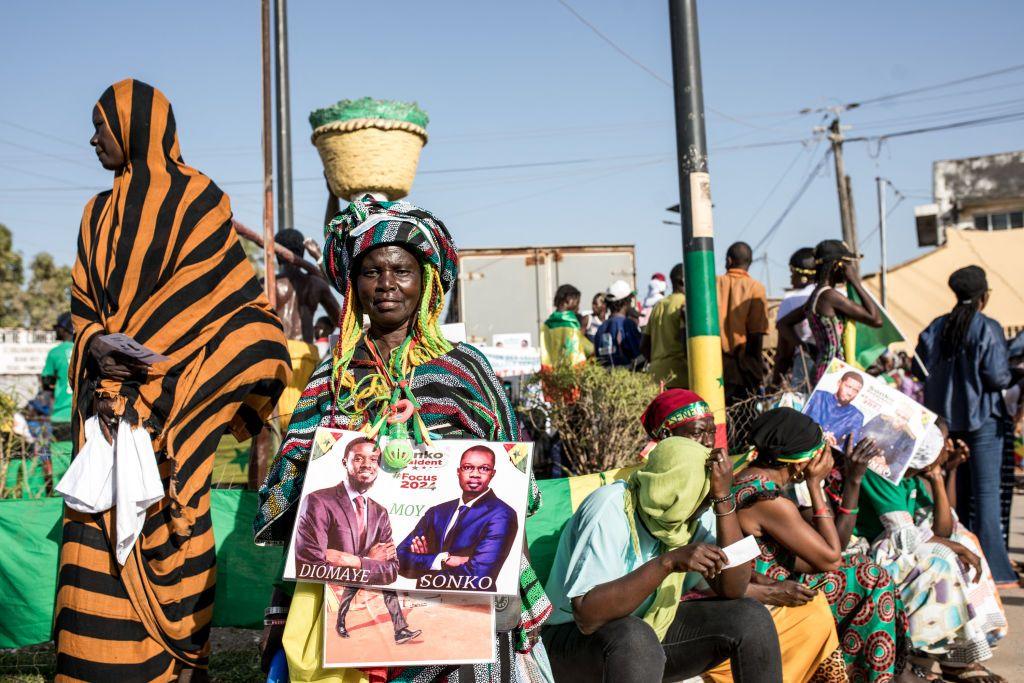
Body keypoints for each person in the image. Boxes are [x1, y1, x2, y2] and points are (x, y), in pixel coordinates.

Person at [255, 196, 552, 681]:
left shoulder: (466, 368)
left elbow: (517, 486)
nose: (387, 284)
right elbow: (293, 491)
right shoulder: (333, 375)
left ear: (427, 281)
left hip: (458, 586)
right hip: (349, 586)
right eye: (372, 271)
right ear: (353, 285)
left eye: (402, 271)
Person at [57, 79, 290, 683]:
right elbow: (84, 308)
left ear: (134, 127)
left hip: (175, 425)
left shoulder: (198, 201)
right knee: (94, 562)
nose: (92, 139)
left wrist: (184, 384)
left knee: (177, 544)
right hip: (105, 422)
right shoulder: (95, 213)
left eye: (100, 126)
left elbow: (244, 316)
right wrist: (96, 344)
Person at [542, 392, 788, 682]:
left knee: (751, 617)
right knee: (635, 636)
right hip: (571, 641)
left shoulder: (694, 507)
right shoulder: (611, 507)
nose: (710, 443)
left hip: (647, 632)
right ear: (677, 494)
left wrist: (723, 501)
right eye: (705, 501)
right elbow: (588, 616)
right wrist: (668, 563)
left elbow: (733, 588)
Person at [635, 389, 843, 682]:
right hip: (664, 618)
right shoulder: (641, 492)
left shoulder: (714, 488)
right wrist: (816, 486)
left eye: (711, 433)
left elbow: (727, 568)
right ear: (667, 439)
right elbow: (830, 558)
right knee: (840, 591)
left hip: (713, 591)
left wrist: (765, 585)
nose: (708, 444)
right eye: (696, 434)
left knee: (816, 605)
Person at [730, 408, 920, 683]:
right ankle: (876, 677)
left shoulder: (749, 479)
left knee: (862, 569)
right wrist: (815, 485)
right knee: (872, 579)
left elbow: (826, 549)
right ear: (800, 463)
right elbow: (831, 557)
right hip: (768, 592)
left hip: (766, 576)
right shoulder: (768, 501)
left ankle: (891, 674)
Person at [853, 424, 1008, 682]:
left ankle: (954, 658)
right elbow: (907, 537)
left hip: (895, 546)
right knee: (943, 558)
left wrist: (939, 475)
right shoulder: (882, 473)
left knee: (964, 542)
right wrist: (953, 548)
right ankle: (921, 657)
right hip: (873, 551)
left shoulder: (911, 476)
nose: (947, 450)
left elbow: (944, 527)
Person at [915, 265, 1016, 587]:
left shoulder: (935, 328)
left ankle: (959, 562)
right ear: (984, 296)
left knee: (952, 496)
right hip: (983, 423)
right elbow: (998, 377)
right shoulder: (988, 327)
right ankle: (996, 573)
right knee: (985, 496)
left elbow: (919, 371)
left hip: (944, 426)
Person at [293, 437, 420, 643]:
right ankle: (340, 623)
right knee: (346, 599)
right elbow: (311, 562)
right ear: (345, 462)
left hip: (357, 571)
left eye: (374, 459)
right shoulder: (319, 501)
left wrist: (353, 561)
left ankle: (400, 630)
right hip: (333, 586)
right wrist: (368, 562)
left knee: (389, 589)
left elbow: (391, 570)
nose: (367, 465)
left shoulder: (380, 512)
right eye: (359, 459)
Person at [398, 445, 517, 590]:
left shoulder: (502, 514)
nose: (475, 474)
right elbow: (398, 559)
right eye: (468, 467)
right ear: (458, 472)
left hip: (470, 606)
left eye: (484, 468)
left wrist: (422, 564)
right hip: (424, 603)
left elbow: (478, 577)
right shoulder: (437, 512)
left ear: (493, 473)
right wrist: (442, 560)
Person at [776, 239, 882, 384]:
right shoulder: (829, 296)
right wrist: (855, 281)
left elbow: (783, 323)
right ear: (836, 266)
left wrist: (806, 347)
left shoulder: (817, 295)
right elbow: (875, 319)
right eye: (847, 264)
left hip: (825, 368)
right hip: (833, 374)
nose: (850, 268)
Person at [716, 241, 770, 401]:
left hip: (713, 368)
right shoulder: (756, 288)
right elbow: (756, 334)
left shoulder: (712, 283)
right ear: (749, 263)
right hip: (742, 371)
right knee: (743, 420)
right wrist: (755, 370)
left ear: (729, 261)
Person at [39, 312, 74, 489]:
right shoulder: (84, 349)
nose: (56, 331)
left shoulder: (55, 353)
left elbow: (46, 383)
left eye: (58, 328)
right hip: (80, 415)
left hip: (61, 416)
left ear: (64, 329)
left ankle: (51, 490)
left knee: (45, 445)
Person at [775, 247, 817, 391]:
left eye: (792, 273)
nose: (791, 278)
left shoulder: (790, 300)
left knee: (804, 408)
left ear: (802, 276)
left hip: (804, 363)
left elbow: (783, 352)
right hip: (835, 363)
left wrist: (774, 384)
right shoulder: (834, 295)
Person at [640, 262, 688, 389]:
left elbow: (644, 345)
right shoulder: (684, 303)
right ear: (682, 281)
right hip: (679, 376)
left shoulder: (659, 305)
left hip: (656, 377)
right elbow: (685, 343)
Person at [804, 370, 867, 447]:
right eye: (848, 386)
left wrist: (834, 446)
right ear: (839, 383)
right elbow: (798, 417)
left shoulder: (856, 416)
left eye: (855, 390)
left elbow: (850, 445)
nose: (850, 393)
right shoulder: (818, 396)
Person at [540, 283, 593, 369]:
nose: (578, 307)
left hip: (551, 376)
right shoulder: (570, 323)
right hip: (569, 376)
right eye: (577, 302)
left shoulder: (546, 325)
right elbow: (578, 350)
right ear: (569, 300)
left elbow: (545, 355)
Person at [595, 280, 642, 368]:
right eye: (630, 300)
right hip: (626, 378)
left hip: (605, 379)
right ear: (626, 302)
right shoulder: (627, 324)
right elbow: (638, 356)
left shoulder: (601, 328)